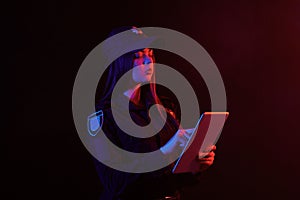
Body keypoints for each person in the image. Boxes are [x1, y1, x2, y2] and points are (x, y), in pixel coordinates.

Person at [93, 26, 216, 200]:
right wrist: (164, 152)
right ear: (119, 61)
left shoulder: (163, 110)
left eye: (150, 53)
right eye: (138, 56)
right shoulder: (104, 118)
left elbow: (169, 178)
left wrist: (195, 165)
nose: (147, 61)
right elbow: (114, 183)